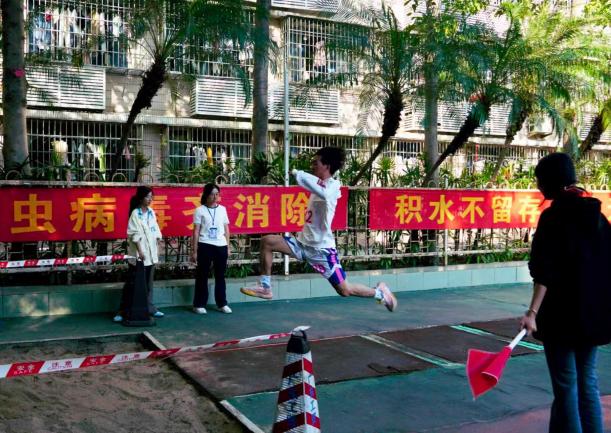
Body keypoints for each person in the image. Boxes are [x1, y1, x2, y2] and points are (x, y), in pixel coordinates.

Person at [241, 146, 397, 312]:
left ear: (327, 166)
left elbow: (325, 193)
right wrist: (301, 177)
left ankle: (380, 293)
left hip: (321, 251)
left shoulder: (333, 186)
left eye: (316, 163)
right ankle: (265, 287)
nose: (312, 166)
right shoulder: (319, 185)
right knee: (267, 242)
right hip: (302, 245)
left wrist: (299, 174)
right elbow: (312, 185)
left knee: (344, 290)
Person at [520, 152, 611, 433]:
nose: (538, 186)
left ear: (550, 181)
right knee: (587, 382)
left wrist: (532, 313)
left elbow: (543, 272)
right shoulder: (598, 217)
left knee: (566, 386)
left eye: (539, 180)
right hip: (592, 317)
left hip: (560, 317)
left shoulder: (552, 218)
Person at [113, 186, 164, 322]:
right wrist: (140, 251)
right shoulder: (135, 214)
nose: (150, 199)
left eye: (151, 196)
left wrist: (158, 245)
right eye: (147, 197)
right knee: (132, 284)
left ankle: (150, 309)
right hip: (138, 256)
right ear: (141, 198)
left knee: (148, 284)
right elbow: (134, 234)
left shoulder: (151, 212)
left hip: (151, 255)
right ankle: (123, 311)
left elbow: (156, 230)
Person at [191, 183, 232, 314]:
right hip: (205, 244)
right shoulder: (199, 210)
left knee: (220, 276)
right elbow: (196, 231)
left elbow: (226, 229)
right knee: (202, 275)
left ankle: (222, 303)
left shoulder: (223, 209)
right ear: (206, 195)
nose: (215, 197)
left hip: (221, 245)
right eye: (212, 194)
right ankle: (199, 304)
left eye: (217, 194)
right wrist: (194, 251)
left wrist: (228, 246)